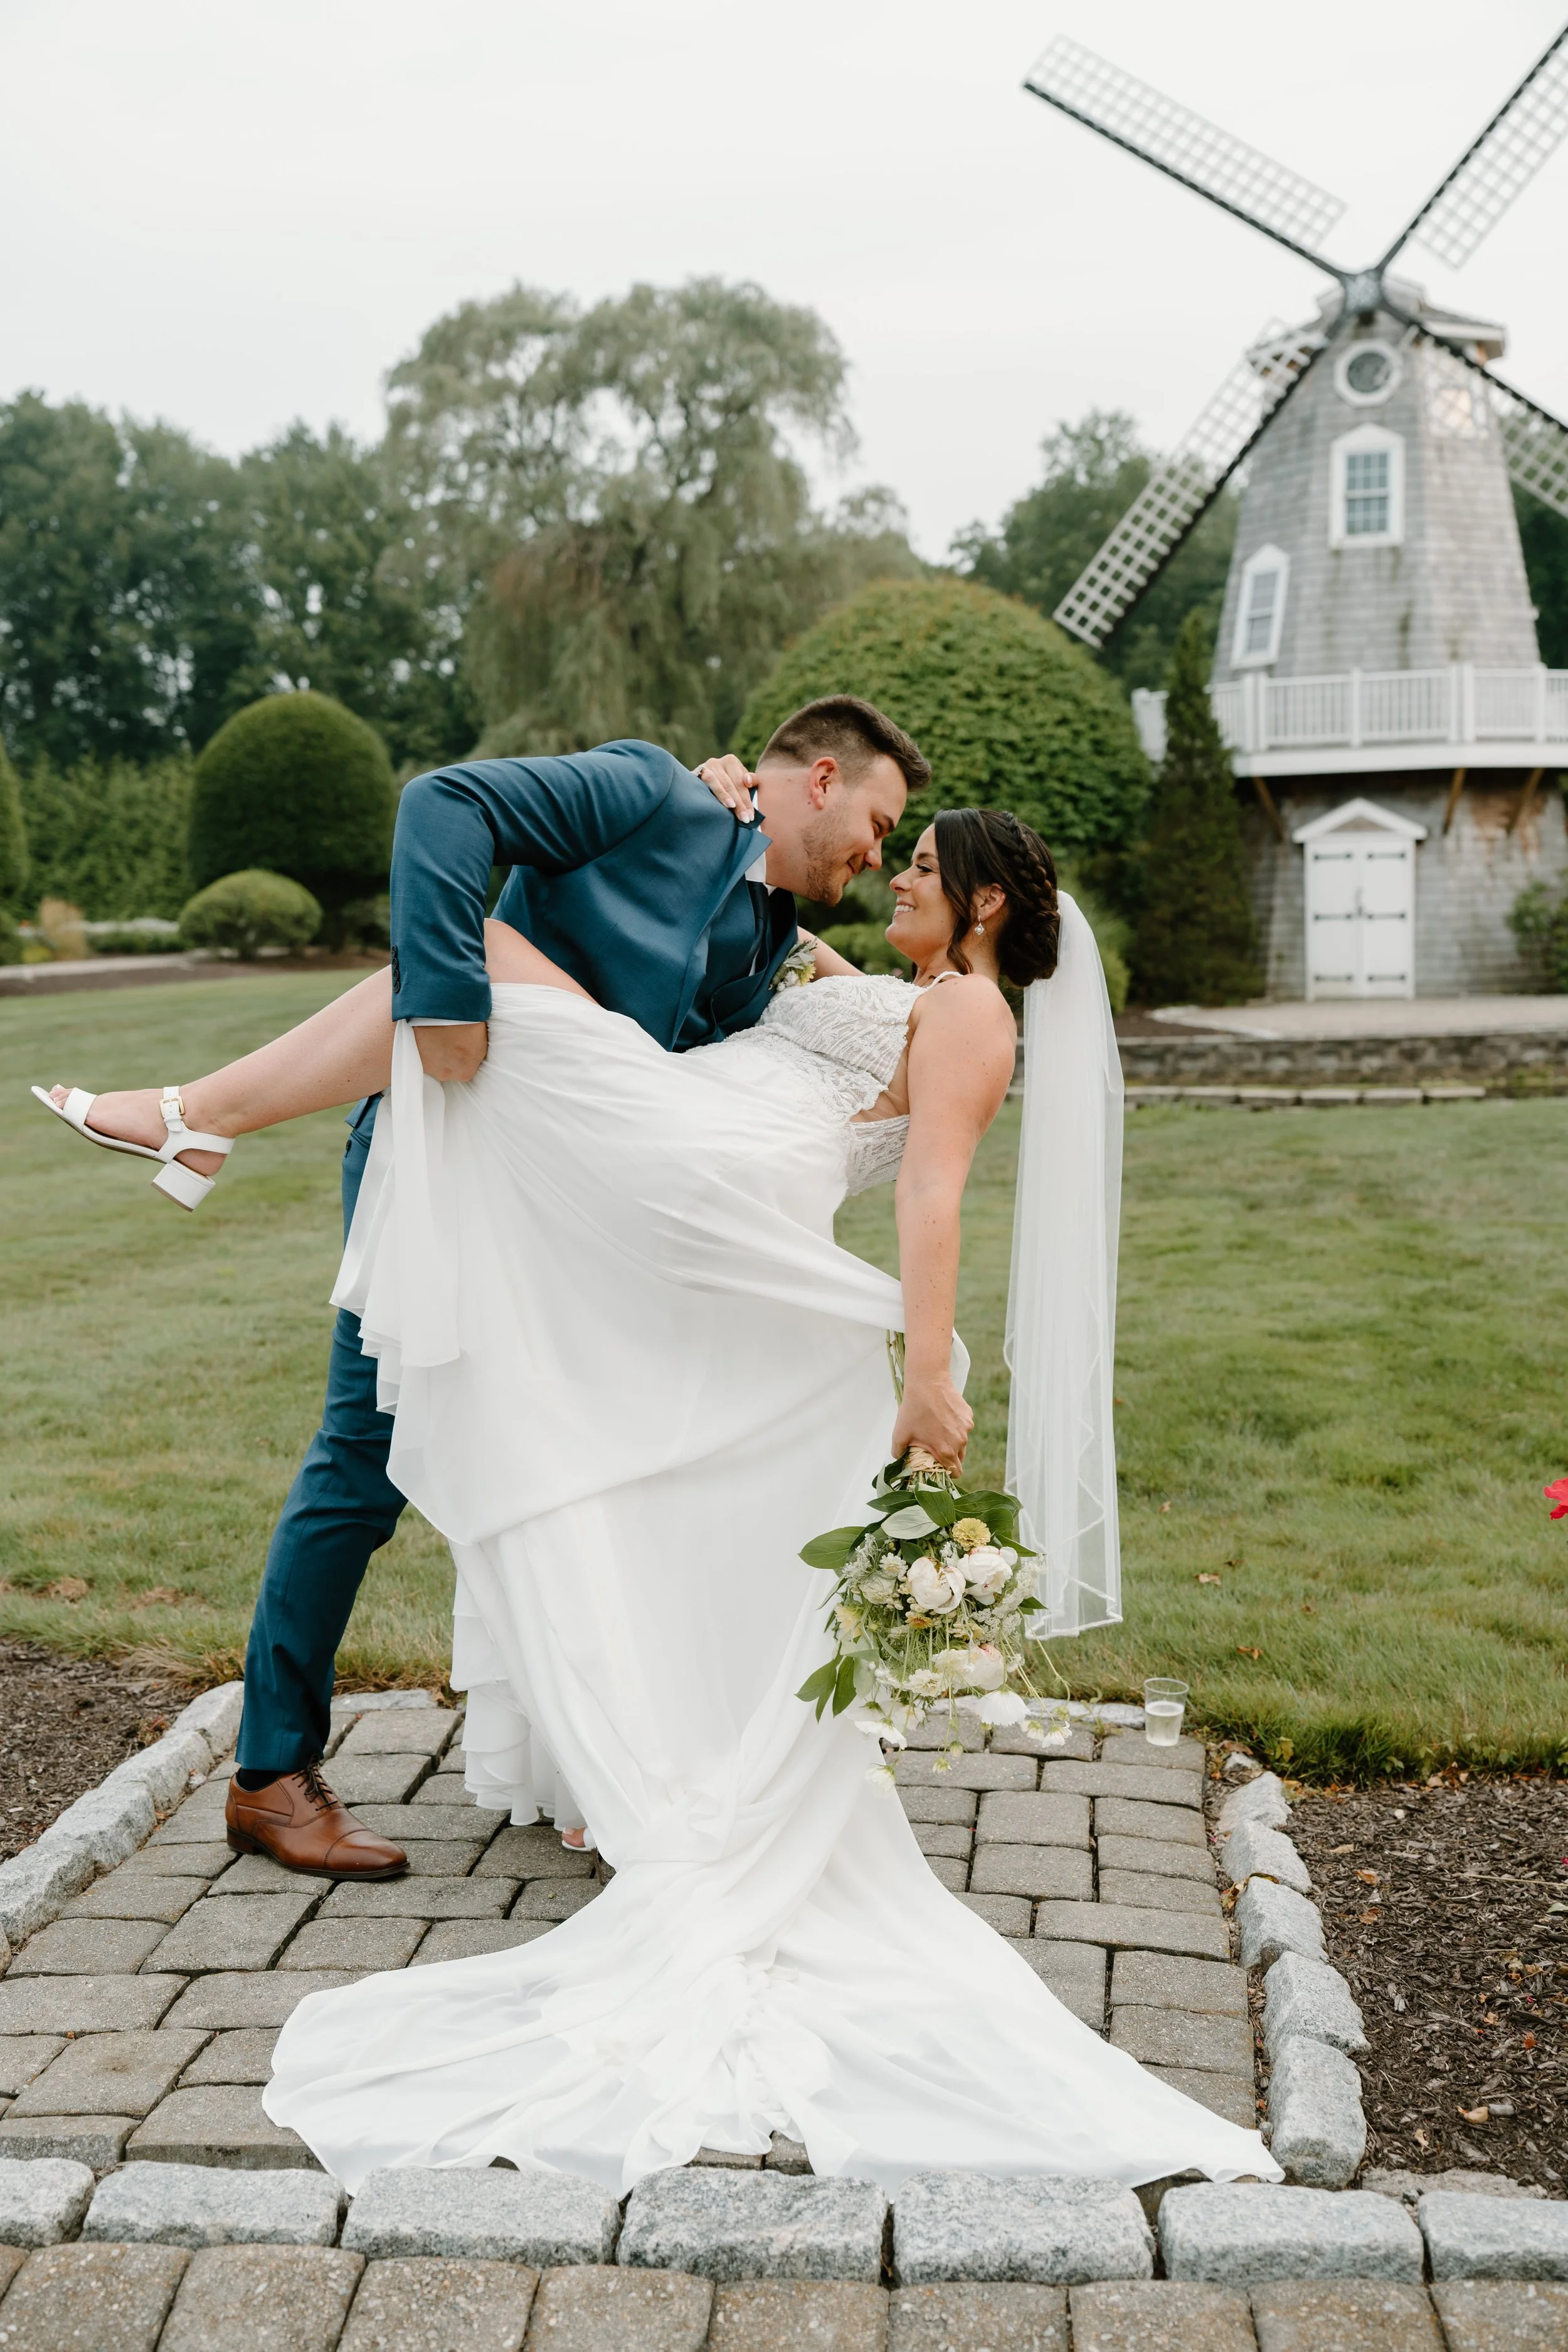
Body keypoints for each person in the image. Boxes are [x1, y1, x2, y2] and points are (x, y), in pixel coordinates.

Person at [44, 795, 1280, 2193]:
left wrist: (925, 1376)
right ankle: (195, 1127)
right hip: (697, 1136)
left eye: (923, 869)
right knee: (457, 979)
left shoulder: (975, 1021)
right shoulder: (898, 988)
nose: (893, 879)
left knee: (459, 967)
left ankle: (193, 1120)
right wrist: (724, 810)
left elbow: (928, 1190)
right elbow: (749, 946)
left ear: (988, 907)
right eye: (893, 846)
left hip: (711, 1162)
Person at [36, 701, 922, 1878]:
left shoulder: (771, 933)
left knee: (584, 1463)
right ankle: (267, 1775)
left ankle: (603, 1753)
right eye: (879, 823)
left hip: (572, 1224)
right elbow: (444, 806)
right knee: (363, 1451)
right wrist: (447, 1001)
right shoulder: (651, 794)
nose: (876, 856)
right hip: (443, 1161)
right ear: (821, 778)